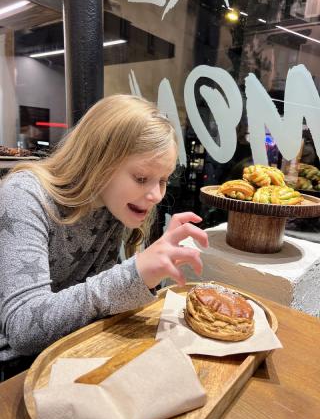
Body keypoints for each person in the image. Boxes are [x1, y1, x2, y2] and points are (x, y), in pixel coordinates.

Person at [0, 94, 208, 381]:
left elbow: (94, 303)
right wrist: (133, 274)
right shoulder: (23, 196)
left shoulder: (112, 206)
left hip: (68, 353)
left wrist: (149, 269)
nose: (156, 195)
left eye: (163, 180)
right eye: (141, 178)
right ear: (99, 161)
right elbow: (23, 331)